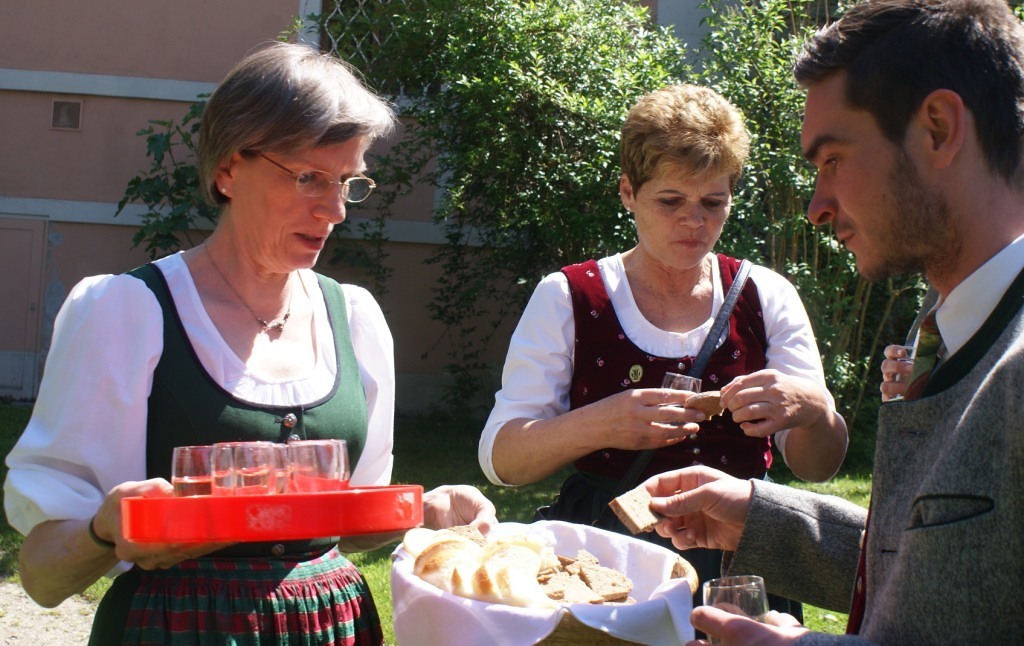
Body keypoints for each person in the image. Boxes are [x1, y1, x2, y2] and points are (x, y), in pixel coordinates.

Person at [3, 42, 496, 645]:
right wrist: (104, 532)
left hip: (332, 627)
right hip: (178, 629)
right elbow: (42, 575)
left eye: (348, 181)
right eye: (309, 177)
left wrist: (426, 509)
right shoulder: (127, 312)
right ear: (228, 170)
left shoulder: (354, 318)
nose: (336, 210)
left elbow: (353, 522)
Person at [645, 0, 1024, 643]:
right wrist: (765, 519)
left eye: (833, 160)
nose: (817, 207)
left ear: (937, 129)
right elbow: (962, 573)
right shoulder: (942, 335)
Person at [478, 83, 849, 616]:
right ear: (628, 192)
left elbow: (817, 466)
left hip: (739, 560)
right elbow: (502, 459)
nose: (694, 222)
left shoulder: (764, 295)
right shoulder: (570, 296)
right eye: (671, 201)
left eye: (713, 203)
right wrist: (603, 424)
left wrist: (814, 411)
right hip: (605, 562)